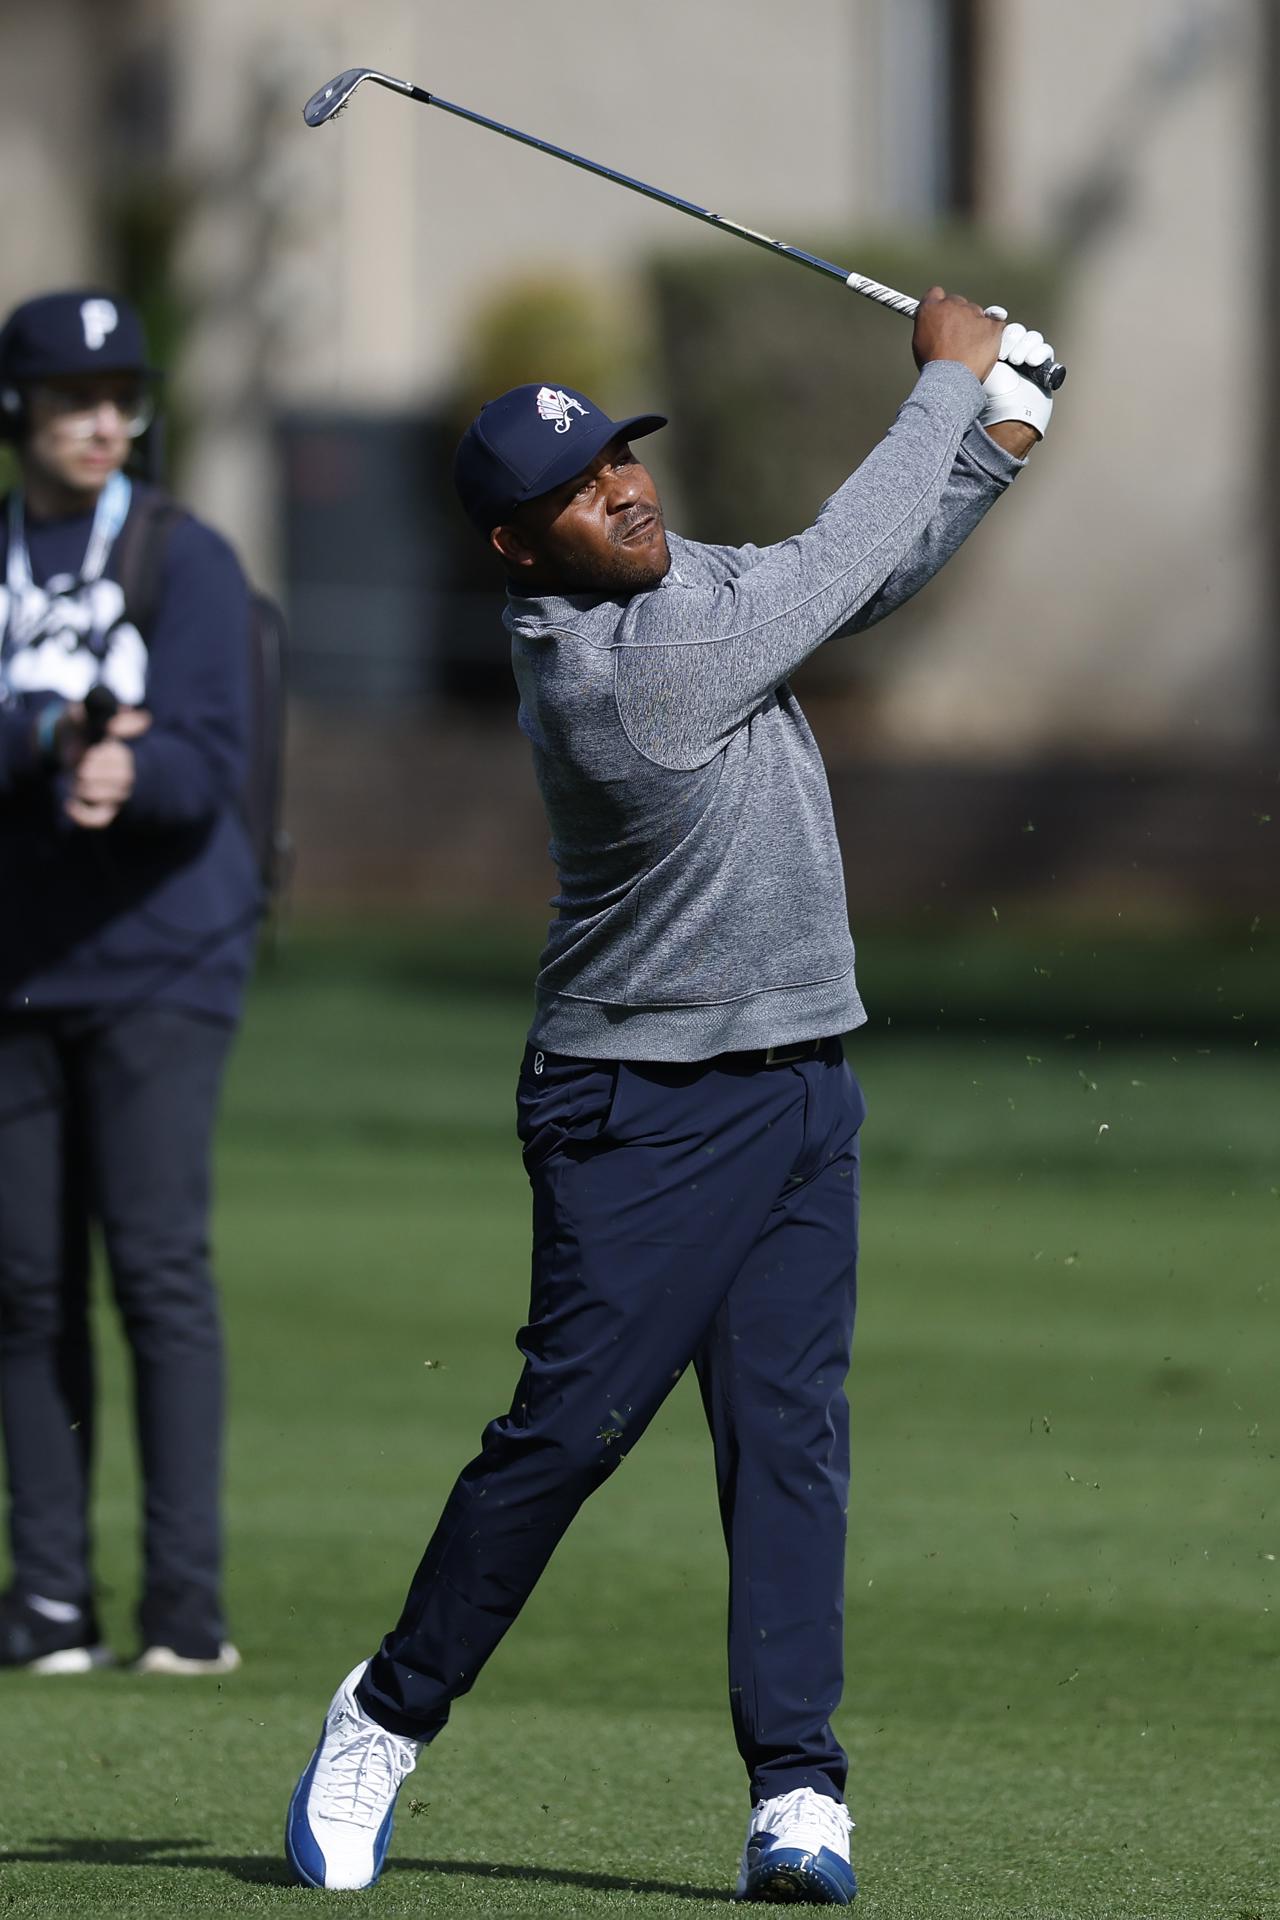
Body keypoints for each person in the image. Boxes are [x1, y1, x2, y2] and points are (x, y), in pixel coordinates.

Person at [285, 288, 1056, 1901]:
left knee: (788, 1443)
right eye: (579, 491)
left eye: (622, 461)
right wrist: (945, 387)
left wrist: (991, 445)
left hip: (794, 1085)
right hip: (639, 1106)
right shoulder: (618, 675)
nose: (625, 490)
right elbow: (836, 562)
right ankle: (386, 1711)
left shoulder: (686, 584)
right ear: (519, 551)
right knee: (568, 1435)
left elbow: (851, 585)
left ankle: (797, 1790)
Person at [0, 289, 258, 1675]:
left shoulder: (189, 558)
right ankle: (47, 1602)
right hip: (16, 969)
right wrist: (51, 733)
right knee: (24, 1285)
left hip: (166, 955)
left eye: (121, 396)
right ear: (20, 415)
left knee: (155, 1269)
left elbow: (209, 755)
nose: (102, 420)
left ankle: (184, 1610)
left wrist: (130, 769)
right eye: (70, 397)